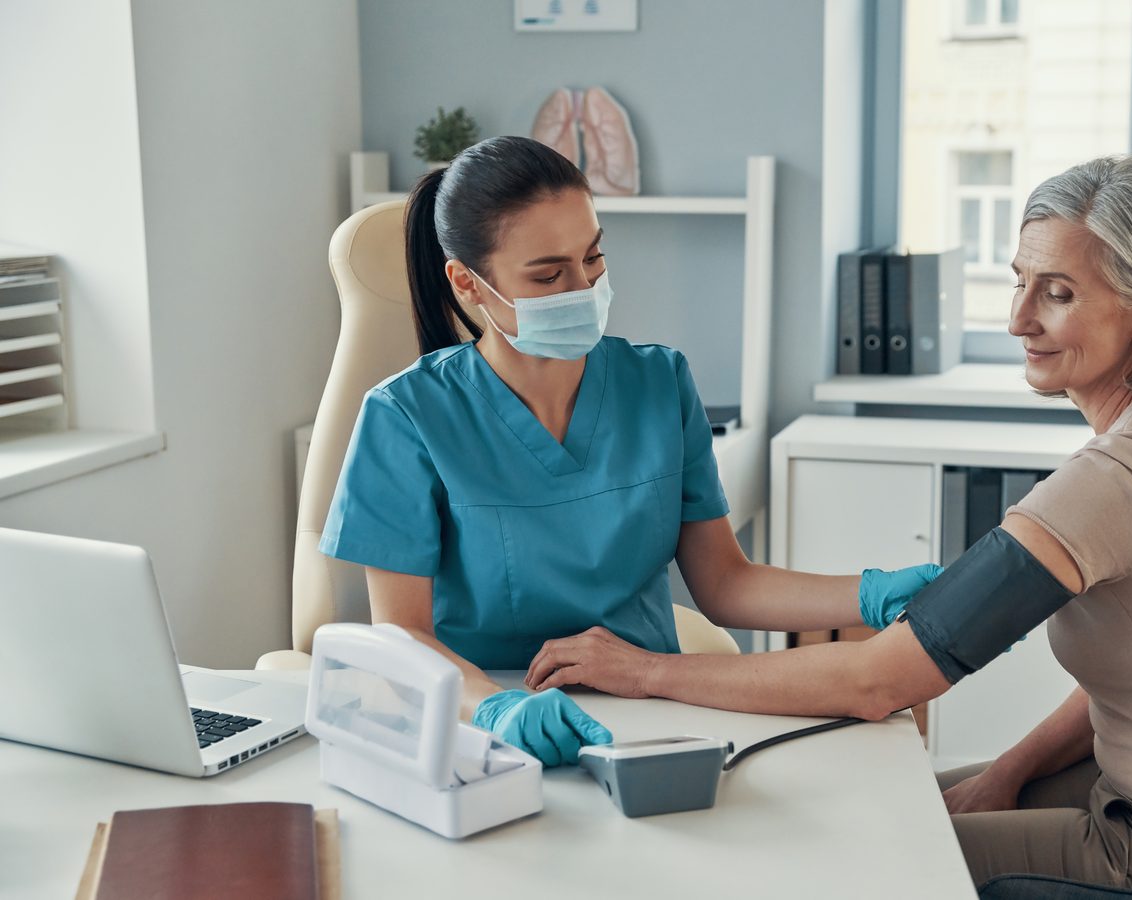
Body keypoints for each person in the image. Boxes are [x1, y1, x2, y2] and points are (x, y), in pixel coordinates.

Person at [524, 155, 1132, 897]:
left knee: (852, 853)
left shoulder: (1119, 483)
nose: (1018, 319)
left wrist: (641, 671)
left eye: (1057, 293)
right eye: (1018, 281)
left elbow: (876, 681)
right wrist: (1007, 771)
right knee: (904, 795)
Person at [320, 136, 940, 769]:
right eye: (549, 274)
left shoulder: (659, 383)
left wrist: (870, 592)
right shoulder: (406, 416)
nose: (583, 287)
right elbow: (402, 635)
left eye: (592, 258)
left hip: (651, 711)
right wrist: (494, 708)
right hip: (484, 723)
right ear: (468, 283)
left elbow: (726, 584)